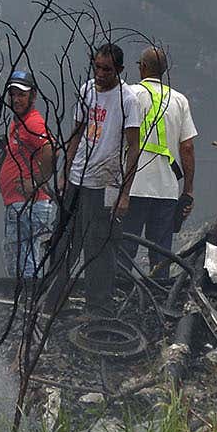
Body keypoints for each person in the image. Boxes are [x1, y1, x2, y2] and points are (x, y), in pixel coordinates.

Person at [54, 43, 144, 312]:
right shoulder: (87, 91)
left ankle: (98, 307)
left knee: (99, 246)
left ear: (119, 70)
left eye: (107, 69)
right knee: (64, 240)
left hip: (104, 183)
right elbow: (77, 134)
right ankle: (54, 299)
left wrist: (125, 192)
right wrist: (64, 172)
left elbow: (133, 148)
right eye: (97, 67)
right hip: (77, 179)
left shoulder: (127, 100)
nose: (100, 74)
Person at [123, 47, 196, 280]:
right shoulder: (179, 100)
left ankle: (117, 297)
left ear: (142, 67)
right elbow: (187, 148)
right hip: (166, 189)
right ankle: (161, 298)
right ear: (164, 71)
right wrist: (188, 190)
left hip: (133, 186)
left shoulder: (130, 94)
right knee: (161, 252)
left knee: (125, 247)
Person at [0, 70, 57, 282]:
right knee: (18, 259)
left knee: (26, 261)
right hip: (19, 204)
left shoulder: (32, 122)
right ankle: (26, 302)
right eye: (13, 94)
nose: (16, 99)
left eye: (22, 94)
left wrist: (36, 181)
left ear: (33, 95)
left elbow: (50, 149)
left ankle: (29, 305)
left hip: (30, 205)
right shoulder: (18, 122)